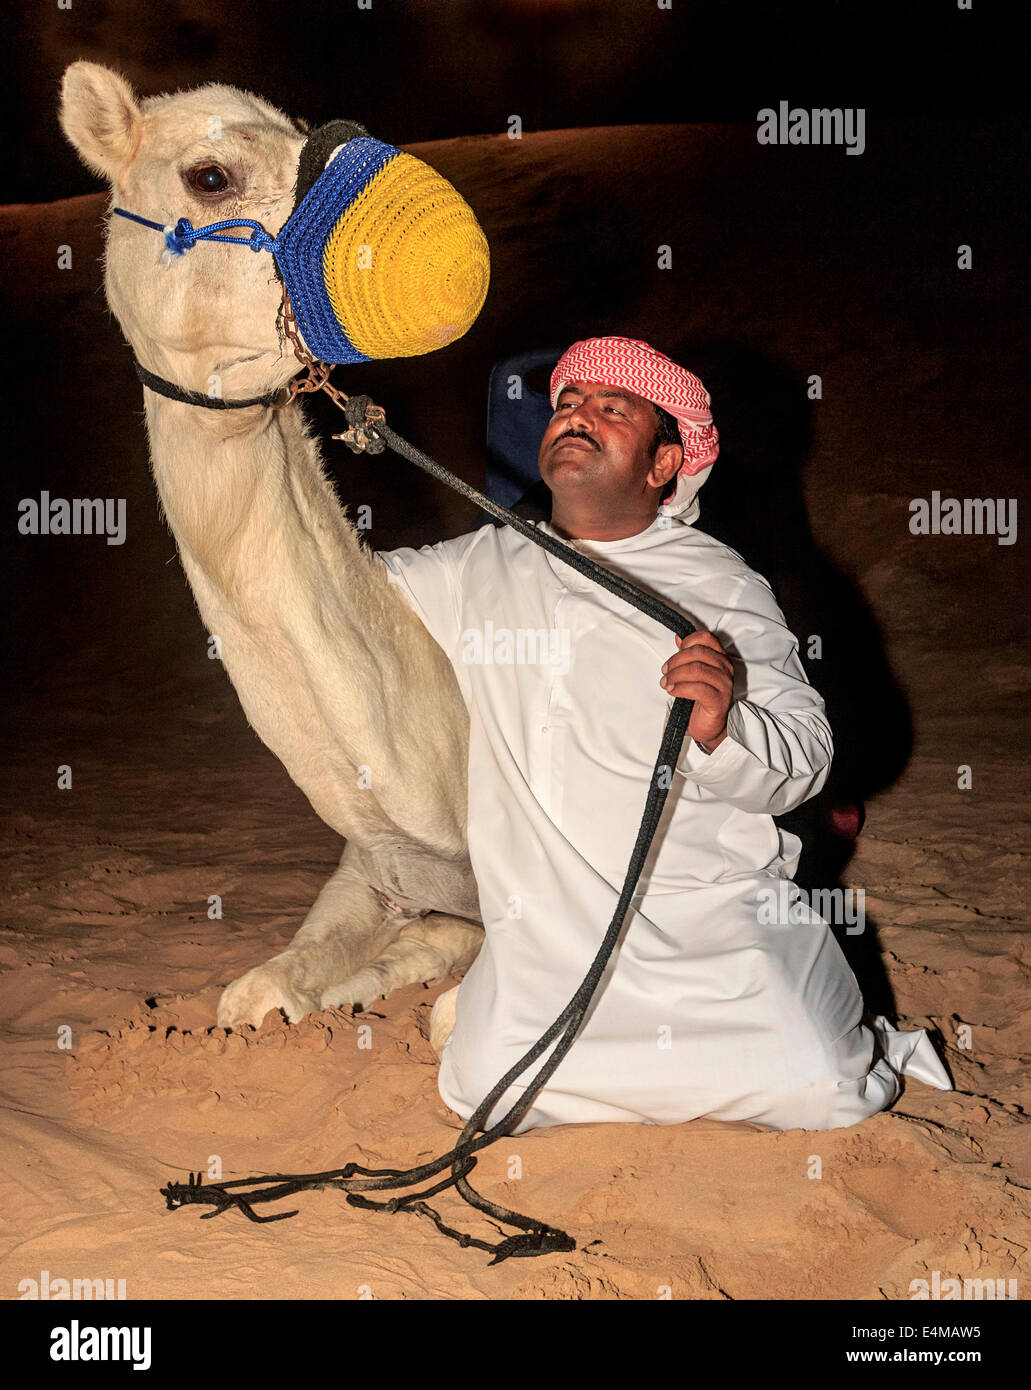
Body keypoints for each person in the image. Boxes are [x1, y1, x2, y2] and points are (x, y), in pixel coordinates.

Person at [376, 336, 951, 1135]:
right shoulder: (475, 566)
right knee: (483, 1090)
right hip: (548, 940)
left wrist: (724, 725)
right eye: (568, 405)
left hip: (707, 929)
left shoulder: (716, 583)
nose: (576, 418)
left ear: (660, 465)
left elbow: (805, 758)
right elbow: (345, 603)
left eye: (613, 409)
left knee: (821, 1087)